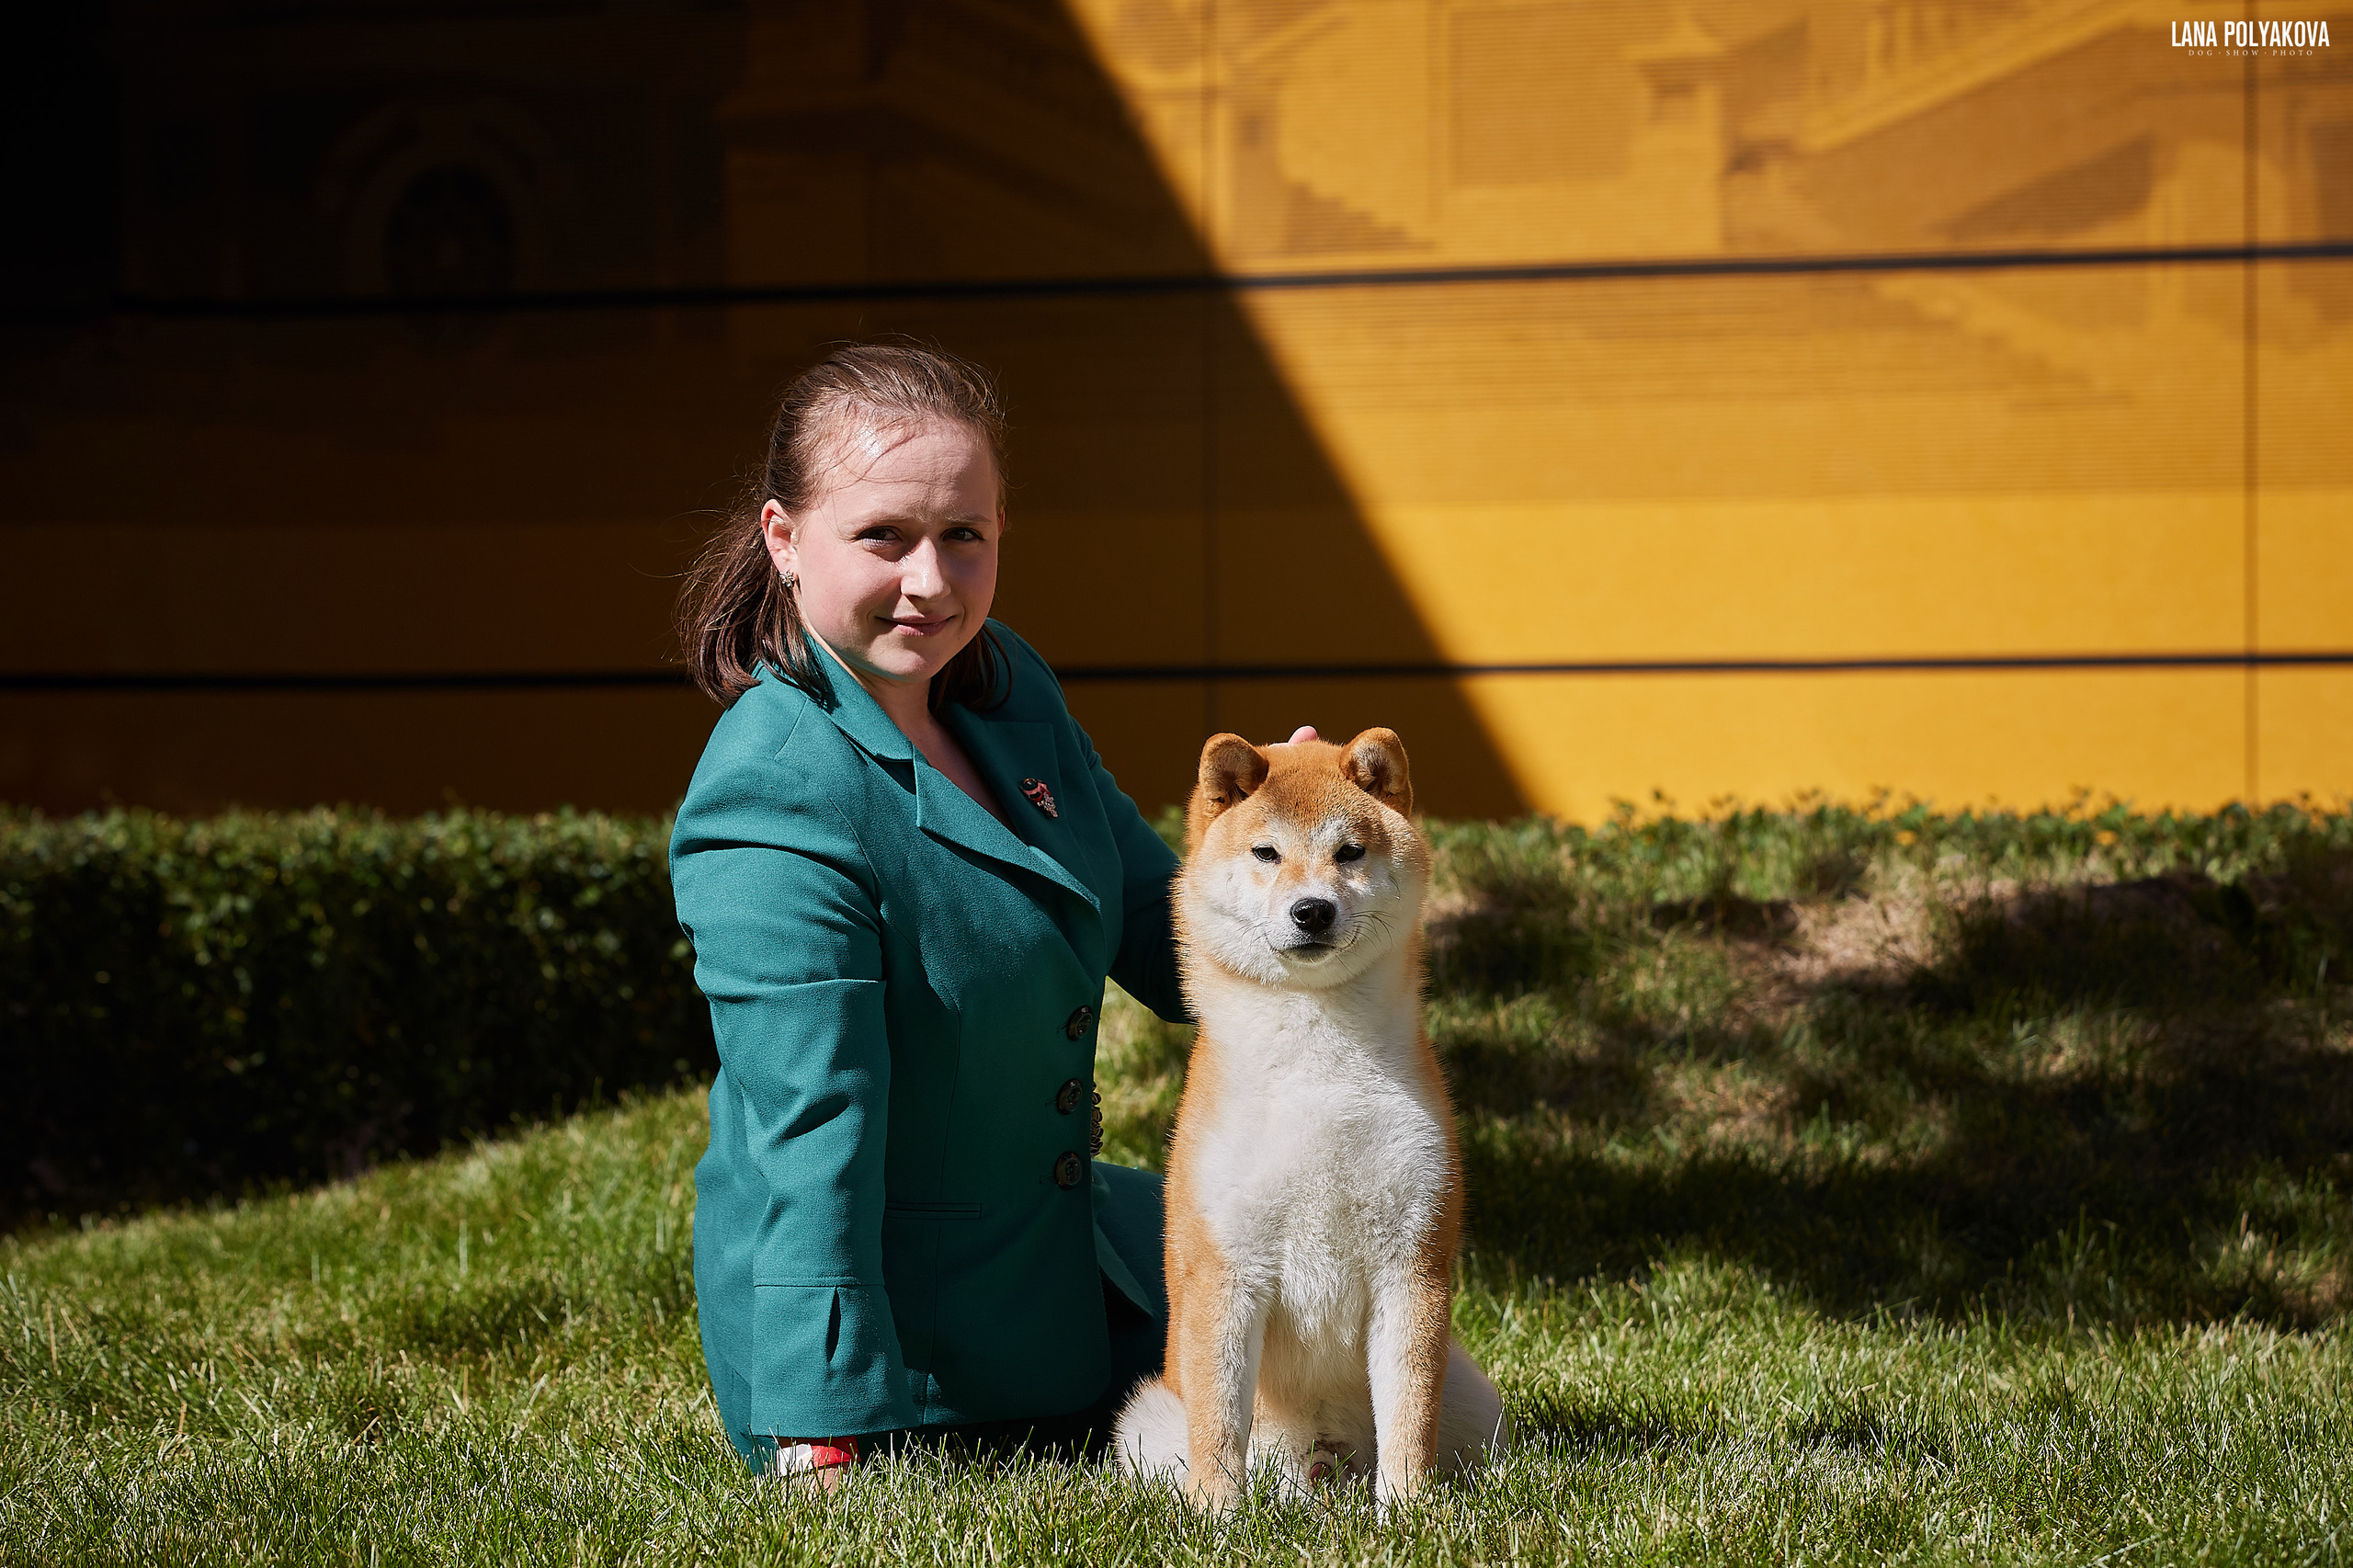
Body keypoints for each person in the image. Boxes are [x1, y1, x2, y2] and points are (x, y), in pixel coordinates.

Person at [670, 342, 1309, 1485]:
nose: (931, 579)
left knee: (1339, 1353)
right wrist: (827, 1432)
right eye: (883, 536)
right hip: (916, 1356)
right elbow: (811, 1130)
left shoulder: (1008, 686)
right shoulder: (770, 790)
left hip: (1064, 1257)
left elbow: (1162, 934)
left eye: (963, 534)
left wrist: (1281, 857)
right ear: (782, 537)